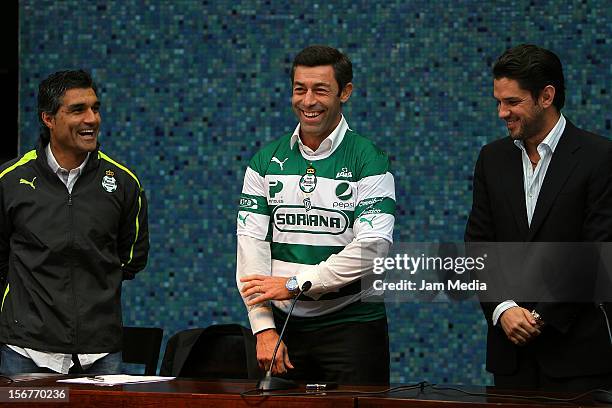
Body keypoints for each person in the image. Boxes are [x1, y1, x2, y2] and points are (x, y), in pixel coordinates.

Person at [236, 45, 395, 385]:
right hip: (282, 330)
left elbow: (374, 248)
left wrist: (295, 285)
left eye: (320, 89)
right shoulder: (264, 162)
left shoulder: (370, 160)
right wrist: (263, 328)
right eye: (300, 89)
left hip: (353, 326)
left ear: (345, 93)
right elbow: (251, 255)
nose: (308, 101)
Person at [465, 44, 612, 391]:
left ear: (546, 96)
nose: (502, 112)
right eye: (498, 102)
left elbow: (597, 252)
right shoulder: (491, 158)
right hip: (510, 357)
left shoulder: (599, 157)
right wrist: (503, 309)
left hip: (578, 357)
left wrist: (540, 316)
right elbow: (478, 246)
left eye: (512, 102)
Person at [0, 70, 149, 375]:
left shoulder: (123, 183)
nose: (92, 119)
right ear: (48, 119)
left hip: (101, 351)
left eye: (95, 108)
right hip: (25, 349)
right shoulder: (10, 180)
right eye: (78, 110)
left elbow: (131, 259)